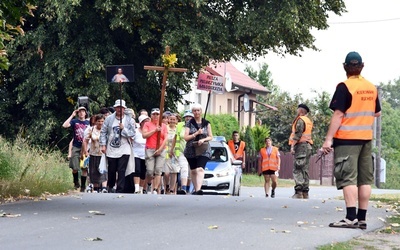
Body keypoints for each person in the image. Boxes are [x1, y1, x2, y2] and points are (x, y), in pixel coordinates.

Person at [322, 51, 381, 229]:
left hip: (347, 139)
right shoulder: (371, 87)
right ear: (362, 66)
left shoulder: (344, 86)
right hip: (366, 139)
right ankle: (362, 218)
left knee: (348, 178)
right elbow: (377, 112)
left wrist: (328, 140)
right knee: (365, 180)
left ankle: (350, 217)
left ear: (345, 67)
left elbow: (338, 114)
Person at [100, 99, 136, 193]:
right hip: (111, 148)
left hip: (124, 148)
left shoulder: (130, 120)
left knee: (121, 169)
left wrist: (123, 129)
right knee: (111, 169)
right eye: (118, 107)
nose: (120, 109)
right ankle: (111, 186)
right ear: (115, 108)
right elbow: (103, 132)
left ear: (124, 109)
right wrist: (103, 145)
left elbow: (132, 134)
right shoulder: (109, 119)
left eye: (122, 108)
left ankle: (120, 189)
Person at [183, 104, 213, 195]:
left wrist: (203, 139)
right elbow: (186, 137)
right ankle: (196, 189)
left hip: (203, 149)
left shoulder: (206, 123)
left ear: (201, 111)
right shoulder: (189, 123)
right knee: (193, 170)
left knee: (200, 169)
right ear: (193, 112)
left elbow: (211, 136)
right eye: (195, 111)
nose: (196, 112)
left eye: (198, 110)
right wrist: (196, 133)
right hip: (191, 149)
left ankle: (199, 189)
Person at [289, 103, 313, 199]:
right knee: (305, 169)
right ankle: (305, 192)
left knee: (298, 168)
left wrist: (292, 146)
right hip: (308, 146)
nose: (296, 111)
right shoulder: (308, 121)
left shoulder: (300, 120)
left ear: (301, 111)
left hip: (301, 147)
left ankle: (298, 192)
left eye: (298, 109)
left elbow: (298, 134)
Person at [62, 106, 90, 191]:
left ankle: (83, 186)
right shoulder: (75, 122)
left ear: (85, 113)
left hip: (86, 147)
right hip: (76, 146)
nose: (81, 113)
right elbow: (65, 125)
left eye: (83, 111)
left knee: (84, 167)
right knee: (75, 167)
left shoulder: (88, 123)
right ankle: (75, 181)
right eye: (79, 112)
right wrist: (72, 115)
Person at [142, 108, 168, 194]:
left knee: (158, 170)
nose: (156, 116)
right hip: (150, 149)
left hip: (161, 149)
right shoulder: (147, 124)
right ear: (151, 115)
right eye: (154, 114)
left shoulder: (163, 125)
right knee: (150, 171)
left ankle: (155, 188)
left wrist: (160, 149)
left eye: (157, 114)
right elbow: (144, 135)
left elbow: (166, 138)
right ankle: (149, 184)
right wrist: (155, 130)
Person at [84, 114, 107, 193]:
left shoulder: (106, 130)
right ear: (96, 121)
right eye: (99, 121)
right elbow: (85, 141)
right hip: (93, 153)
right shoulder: (91, 129)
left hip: (103, 154)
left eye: (102, 121)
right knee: (93, 171)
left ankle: (104, 187)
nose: (100, 123)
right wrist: (85, 151)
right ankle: (96, 188)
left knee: (103, 170)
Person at [174, 110, 192, 194]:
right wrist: (172, 150)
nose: (188, 118)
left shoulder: (195, 125)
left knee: (190, 171)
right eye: (187, 116)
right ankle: (183, 188)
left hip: (192, 152)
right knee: (184, 169)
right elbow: (176, 137)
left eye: (190, 116)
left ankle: (188, 188)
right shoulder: (180, 125)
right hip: (181, 151)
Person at [132, 114, 150, 194]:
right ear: (140, 123)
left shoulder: (150, 131)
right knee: (137, 170)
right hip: (136, 153)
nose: (146, 123)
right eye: (144, 122)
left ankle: (141, 188)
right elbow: (130, 140)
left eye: (147, 121)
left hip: (146, 154)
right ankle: (136, 188)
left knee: (143, 172)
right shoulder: (135, 131)